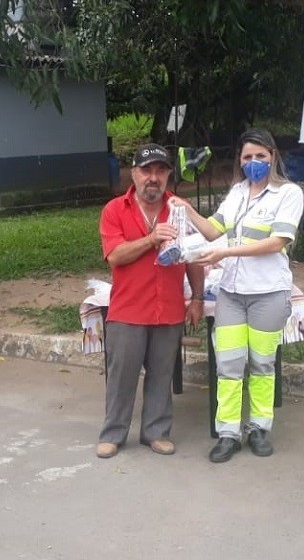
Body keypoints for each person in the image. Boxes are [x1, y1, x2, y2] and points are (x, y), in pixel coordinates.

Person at [171, 128, 304, 462]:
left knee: (261, 364)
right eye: (248, 157)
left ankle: (259, 428)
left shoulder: (288, 194)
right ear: (240, 161)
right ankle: (228, 433)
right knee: (228, 366)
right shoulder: (237, 192)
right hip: (232, 293)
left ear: (273, 156)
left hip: (268, 293)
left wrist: (225, 254)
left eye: (261, 156)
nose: (254, 162)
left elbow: (277, 242)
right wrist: (186, 209)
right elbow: (213, 230)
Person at [96, 143, 205, 459]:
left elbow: (194, 258)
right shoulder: (115, 210)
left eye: (160, 170)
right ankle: (113, 434)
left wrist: (197, 298)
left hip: (168, 308)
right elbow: (115, 256)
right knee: (122, 376)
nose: (153, 178)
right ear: (134, 173)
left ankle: (156, 433)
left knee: (161, 375)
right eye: (147, 170)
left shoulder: (181, 209)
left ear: (169, 174)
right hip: (128, 310)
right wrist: (151, 238)